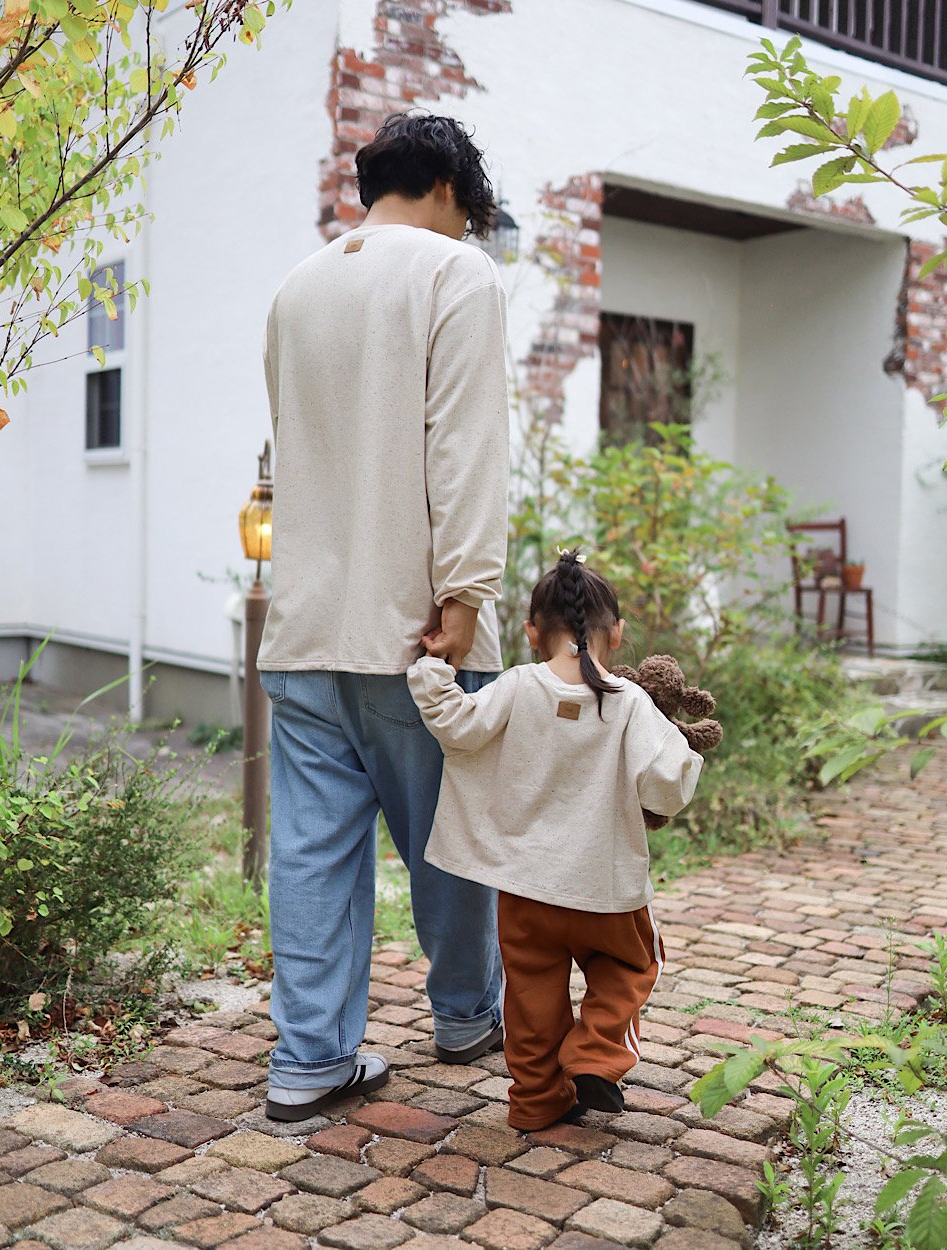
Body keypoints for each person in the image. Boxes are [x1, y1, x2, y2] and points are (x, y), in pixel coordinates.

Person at [257, 113, 510, 1121]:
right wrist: (464, 595)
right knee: (452, 840)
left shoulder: (295, 288)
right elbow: (466, 446)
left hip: (307, 623)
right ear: (449, 186)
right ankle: (461, 1015)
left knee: (311, 855)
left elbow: (294, 448)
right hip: (415, 627)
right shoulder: (457, 275)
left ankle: (310, 1060)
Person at [407, 551, 703, 1131]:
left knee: (532, 998)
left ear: (532, 631)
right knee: (633, 967)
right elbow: (667, 786)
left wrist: (432, 669)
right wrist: (683, 755)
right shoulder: (630, 704)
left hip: (526, 892)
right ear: (616, 632)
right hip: (606, 891)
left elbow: (458, 727)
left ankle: (537, 1101)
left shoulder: (518, 686)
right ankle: (595, 1056)